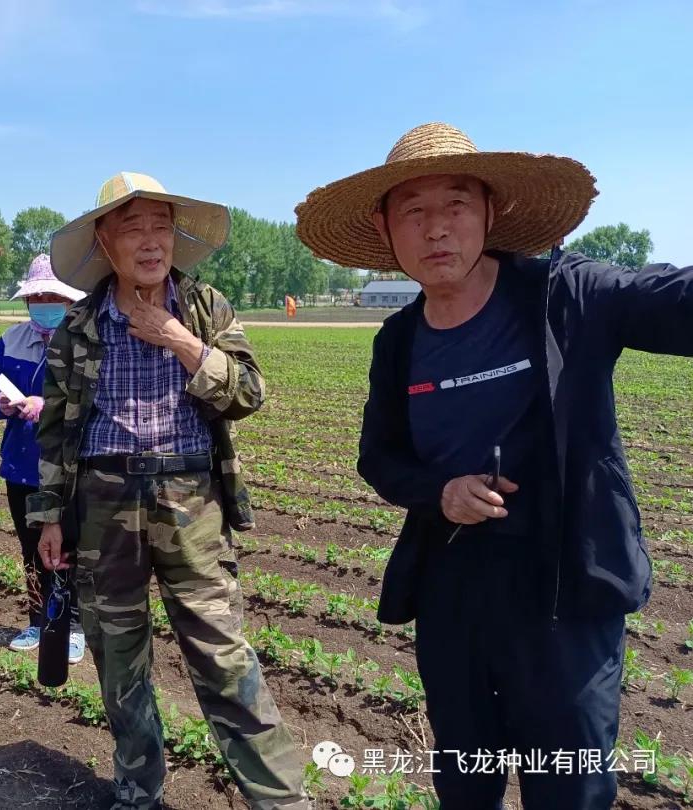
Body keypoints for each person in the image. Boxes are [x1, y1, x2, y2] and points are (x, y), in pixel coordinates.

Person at [295, 122, 693, 809]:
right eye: (413, 211)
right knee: (466, 779)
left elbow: (668, 298)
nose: (436, 228)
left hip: (564, 589)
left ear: (491, 210)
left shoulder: (565, 297)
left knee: (568, 786)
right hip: (453, 591)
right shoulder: (399, 340)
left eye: (455, 204)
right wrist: (440, 490)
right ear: (385, 228)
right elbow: (378, 458)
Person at [29, 172, 310, 810]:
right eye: (133, 228)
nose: (151, 241)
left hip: (191, 499)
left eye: (161, 226)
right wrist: (49, 516)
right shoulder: (79, 324)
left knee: (222, 654)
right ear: (105, 241)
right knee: (118, 657)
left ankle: (280, 799)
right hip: (103, 500)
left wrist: (179, 339)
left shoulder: (205, 307)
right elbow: (56, 427)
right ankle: (138, 789)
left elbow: (248, 393)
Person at [0, 254, 86, 662]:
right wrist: (1, 403)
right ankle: (38, 620)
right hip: (22, 464)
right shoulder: (11, 340)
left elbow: (94, 402)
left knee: (69, 546)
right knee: (31, 548)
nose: (43, 303)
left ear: (70, 300)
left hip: (69, 466)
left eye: (52, 296)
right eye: (36, 297)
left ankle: (74, 625)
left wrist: (48, 405)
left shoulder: (84, 343)